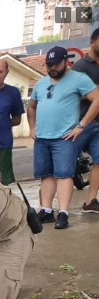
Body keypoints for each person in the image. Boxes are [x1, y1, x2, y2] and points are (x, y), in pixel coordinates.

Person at [28, 45, 99, 230]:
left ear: (65, 62)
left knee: (64, 175)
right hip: (42, 137)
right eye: (48, 64)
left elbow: (97, 99)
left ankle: (64, 213)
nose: (52, 68)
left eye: (56, 65)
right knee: (46, 175)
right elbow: (31, 106)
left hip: (64, 137)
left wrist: (81, 126)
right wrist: (31, 127)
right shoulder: (41, 83)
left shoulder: (79, 78)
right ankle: (46, 210)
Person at [72, 29, 99, 215]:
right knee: (64, 162)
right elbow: (71, 94)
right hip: (81, 123)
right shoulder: (80, 67)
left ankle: (91, 201)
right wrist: (92, 92)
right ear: (92, 41)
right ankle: (49, 207)